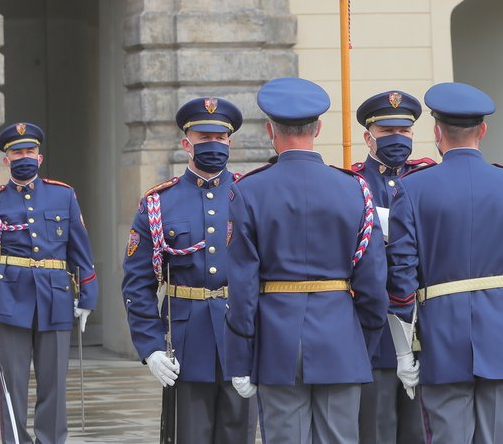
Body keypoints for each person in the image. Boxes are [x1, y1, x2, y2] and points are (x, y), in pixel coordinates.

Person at [386, 82, 503, 444]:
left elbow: (401, 280)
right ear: (482, 130)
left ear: (436, 132)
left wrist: (404, 352)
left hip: (441, 337)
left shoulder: (412, 189)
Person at [225, 77, 389, 444]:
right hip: (340, 335)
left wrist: (240, 355)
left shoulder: (248, 191)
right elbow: (373, 282)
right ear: (317, 128)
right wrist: (361, 341)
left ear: (270, 130)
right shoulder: (353, 189)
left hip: (276, 341)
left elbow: (242, 289)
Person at [121, 97, 257, 443]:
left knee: (238, 435)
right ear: (186, 144)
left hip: (240, 336)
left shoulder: (250, 195)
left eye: (220, 138)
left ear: (230, 141)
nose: (213, 145)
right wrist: (150, 346)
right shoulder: (159, 202)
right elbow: (138, 282)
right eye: (203, 138)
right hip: (186, 341)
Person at [0, 122, 98, 444]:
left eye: (29, 151)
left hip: (54, 296)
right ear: (6, 159)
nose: (23, 156)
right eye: (17, 152)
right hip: (7, 298)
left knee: (54, 384)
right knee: (12, 385)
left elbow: (80, 250)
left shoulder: (63, 195)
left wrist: (87, 297)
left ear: (39, 157)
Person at [353, 90, 434, 444]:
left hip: (424, 321)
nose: (397, 138)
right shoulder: (353, 184)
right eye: (387, 131)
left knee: (421, 428)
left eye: (404, 131)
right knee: (376, 426)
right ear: (369, 137)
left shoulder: (429, 179)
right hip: (374, 327)